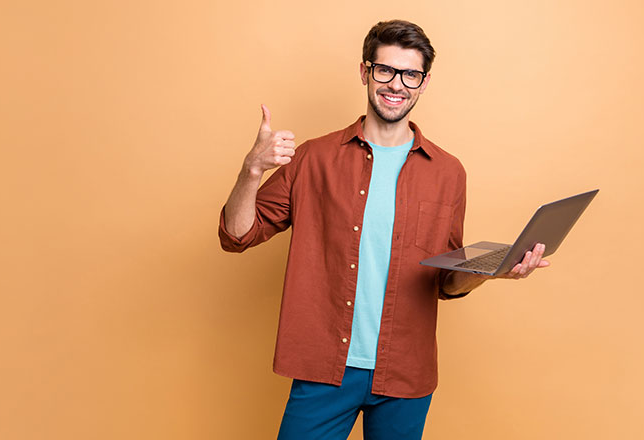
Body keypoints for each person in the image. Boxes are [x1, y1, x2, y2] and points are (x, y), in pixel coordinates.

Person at [219, 19, 549, 440]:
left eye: (410, 74)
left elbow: (446, 282)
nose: (397, 84)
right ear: (365, 72)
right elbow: (236, 235)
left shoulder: (449, 173)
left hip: (404, 373)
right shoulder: (312, 158)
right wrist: (252, 170)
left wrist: (495, 270)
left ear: (424, 82)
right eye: (385, 70)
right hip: (323, 368)